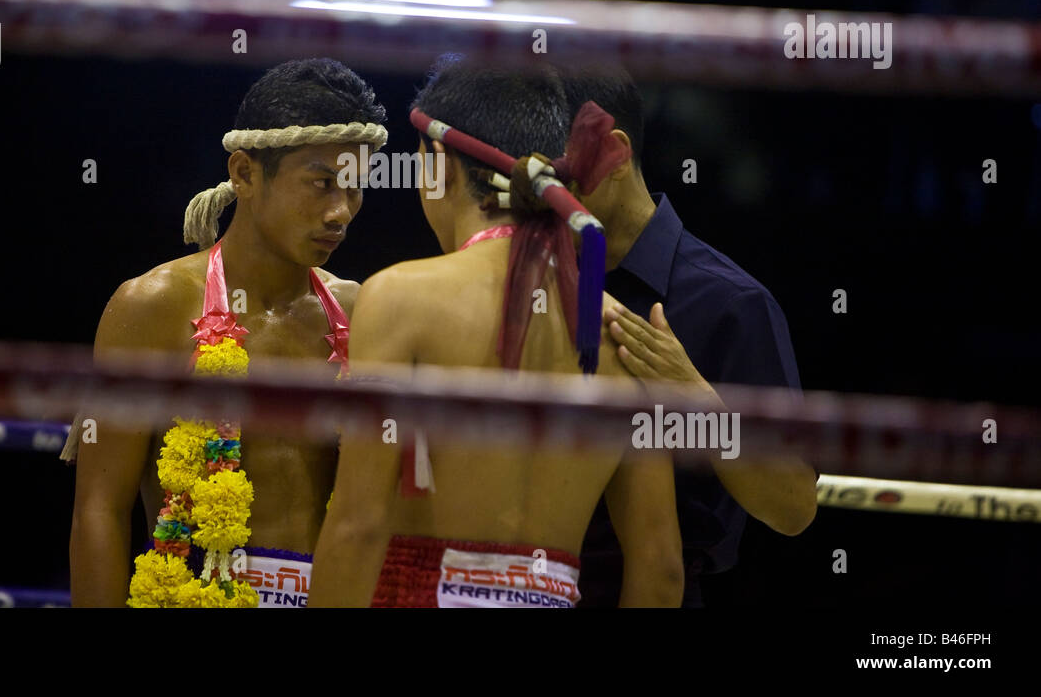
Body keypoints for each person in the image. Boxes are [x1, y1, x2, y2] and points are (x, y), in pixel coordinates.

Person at [309, 58, 685, 608]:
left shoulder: (398, 297)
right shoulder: (618, 331)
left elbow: (358, 527)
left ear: (438, 163)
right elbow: (662, 568)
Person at [67, 57, 387, 607]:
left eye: (355, 188)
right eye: (321, 184)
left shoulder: (361, 313)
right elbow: (100, 509)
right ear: (244, 173)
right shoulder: (154, 306)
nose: (341, 212)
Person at [557, 62, 817, 608]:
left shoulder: (732, 304)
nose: (533, 196)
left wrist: (698, 404)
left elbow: (793, 508)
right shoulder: (531, 278)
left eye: (549, 174)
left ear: (611, 153)